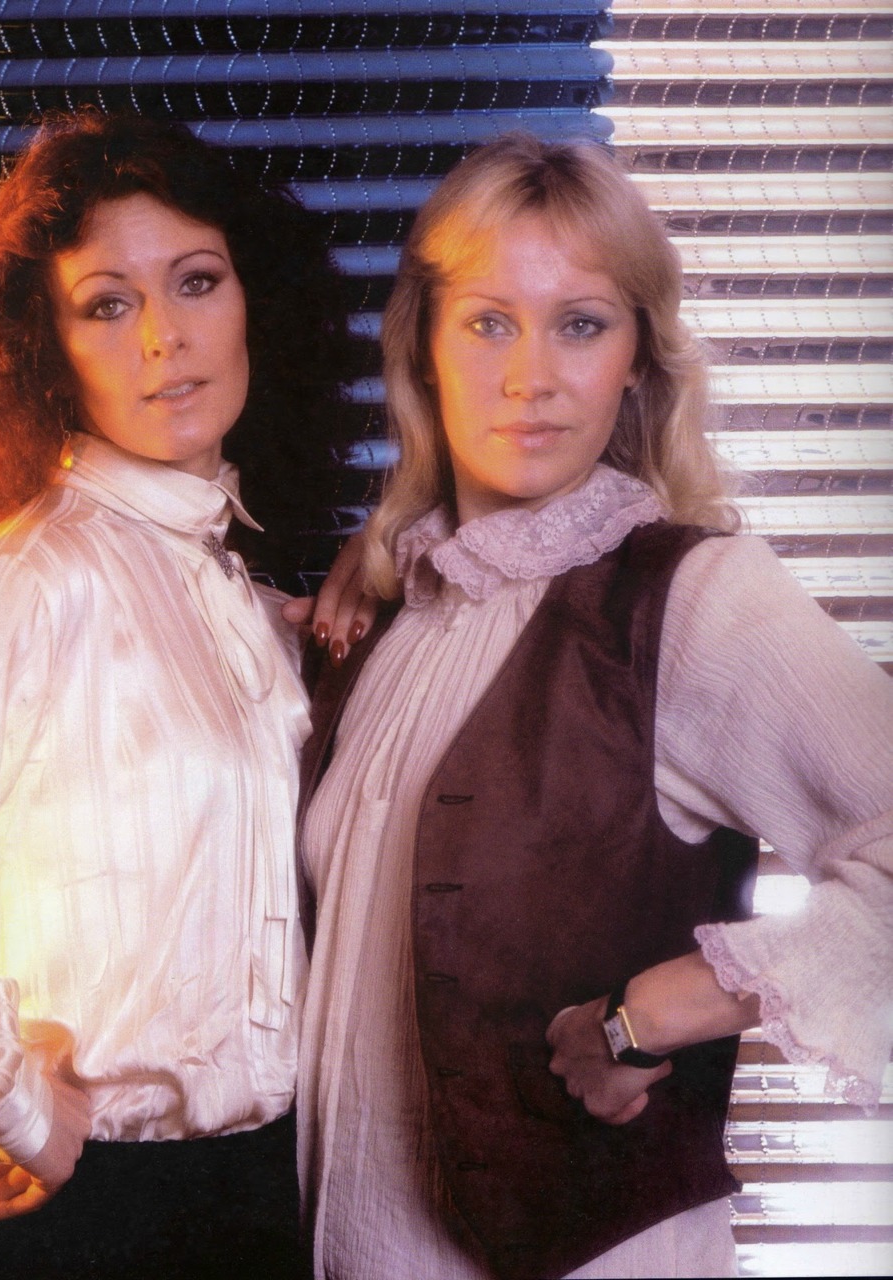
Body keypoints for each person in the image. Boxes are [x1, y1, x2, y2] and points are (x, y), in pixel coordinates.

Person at [296, 133, 893, 1279]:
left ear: (634, 360)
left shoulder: (691, 599)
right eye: (488, 322)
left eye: (579, 323)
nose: (532, 376)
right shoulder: (390, 618)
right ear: (422, 346)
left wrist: (658, 1007)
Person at [0, 107, 362, 1279]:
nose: (164, 336)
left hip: (271, 1204)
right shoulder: (27, 587)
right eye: (106, 304)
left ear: (254, 300)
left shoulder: (248, 602)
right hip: (86, 1223)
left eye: (196, 281)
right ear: (48, 346)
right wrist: (8, 1101)